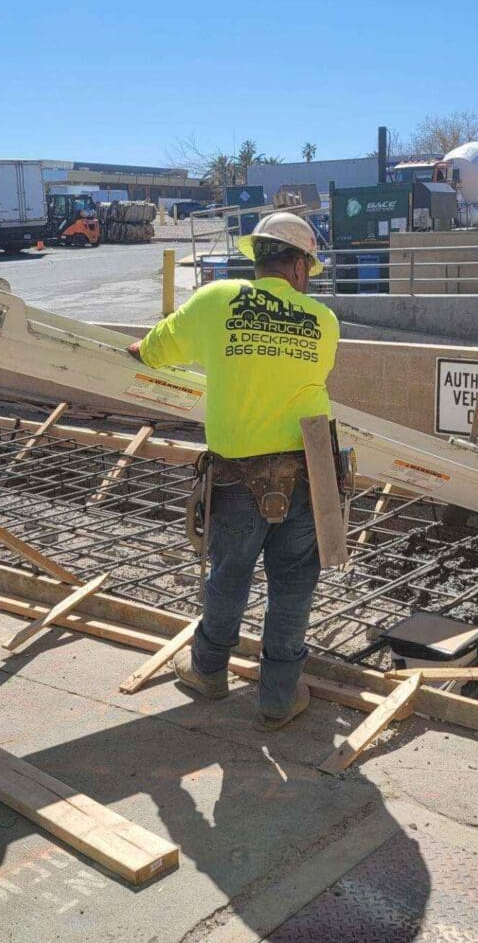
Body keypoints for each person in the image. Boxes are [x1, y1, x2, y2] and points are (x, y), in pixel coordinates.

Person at [128, 212, 339, 731]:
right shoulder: (322, 320)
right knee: (293, 582)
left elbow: (154, 351)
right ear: (297, 265)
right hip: (309, 469)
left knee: (230, 574)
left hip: (237, 475)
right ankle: (278, 697)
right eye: (307, 266)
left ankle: (208, 670)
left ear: (258, 257)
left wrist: (139, 349)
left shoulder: (215, 300)